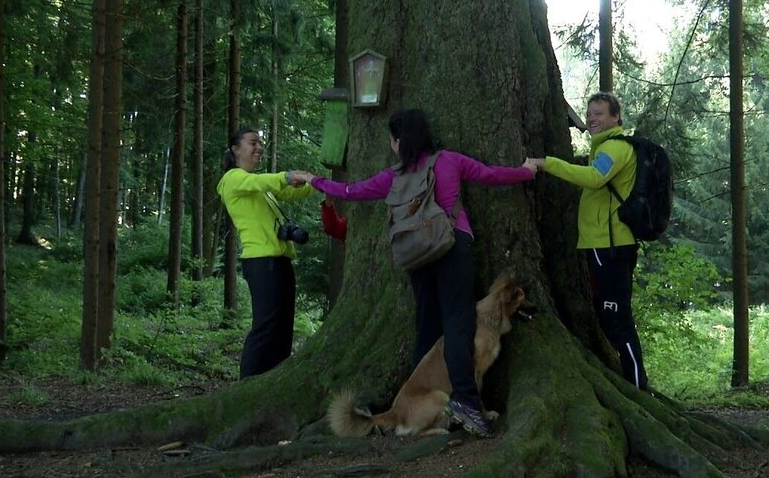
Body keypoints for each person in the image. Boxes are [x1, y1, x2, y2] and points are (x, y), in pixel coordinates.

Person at [290, 109, 537, 437]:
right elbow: (491, 174)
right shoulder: (449, 160)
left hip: (416, 252)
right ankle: (464, 402)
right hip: (451, 244)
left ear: (398, 141)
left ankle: (414, 402)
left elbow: (352, 191)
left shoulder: (393, 176)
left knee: (427, 323)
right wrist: (526, 170)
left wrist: (314, 180)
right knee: (458, 322)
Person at [525, 92, 648, 390]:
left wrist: (547, 163)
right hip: (602, 244)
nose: (592, 118)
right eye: (590, 113)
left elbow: (595, 178)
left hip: (611, 245)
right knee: (609, 318)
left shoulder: (615, 148)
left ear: (616, 117)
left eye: (600, 113)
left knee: (617, 321)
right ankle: (631, 385)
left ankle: (640, 391)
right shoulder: (603, 148)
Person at [217, 127, 314, 379]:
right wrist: (288, 174)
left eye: (260, 143)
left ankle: (273, 383)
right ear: (236, 149)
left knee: (283, 330)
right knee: (266, 328)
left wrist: (314, 181)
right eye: (252, 143)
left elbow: (287, 191)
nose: (259, 147)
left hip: (280, 260)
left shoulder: (258, 188)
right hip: (262, 263)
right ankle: (247, 387)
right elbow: (265, 181)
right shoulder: (233, 179)